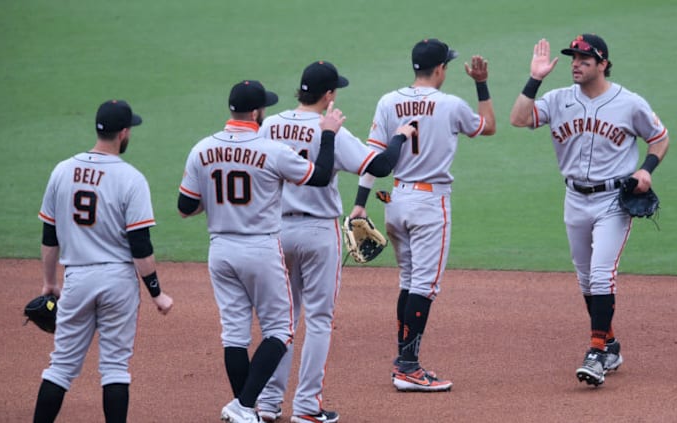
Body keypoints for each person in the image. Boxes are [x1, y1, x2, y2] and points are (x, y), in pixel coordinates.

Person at [255, 61, 415, 423]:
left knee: (280, 320)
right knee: (320, 319)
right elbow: (380, 166)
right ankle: (307, 407)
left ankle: (266, 403)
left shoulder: (269, 125)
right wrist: (400, 135)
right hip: (317, 233)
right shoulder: (331, 130)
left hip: (275, 231)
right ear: (328, 95)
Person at [176, 80, 345, 423]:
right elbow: (321, 175)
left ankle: (246, 409)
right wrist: (327, 133)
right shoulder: (271, 149)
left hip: (220, 251)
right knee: (280, 331)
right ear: (255, 113)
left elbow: (185, 207)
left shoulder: (202, 149)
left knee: (235, 334)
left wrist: (218, 201)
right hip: (260, 248)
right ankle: (242, 405)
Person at [509, 34, 669, 386]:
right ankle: (610, 343)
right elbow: (519, 119)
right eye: (573, 58)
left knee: (600, 275)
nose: (575, 64)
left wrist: (646, 170)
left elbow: (659, 137)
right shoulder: (558, 99)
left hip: (613, 201)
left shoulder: (629, 103)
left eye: (584, 58)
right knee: (585, 278)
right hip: (574, 199)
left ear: (603, 63)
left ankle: (596, 353)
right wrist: (535, 78)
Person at [348, 38, 496, 392]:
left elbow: (373, 157)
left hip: (396, 201)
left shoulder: (388, 101)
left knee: (409, 281)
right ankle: (409, 367)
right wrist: (481, 82)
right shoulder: (450, 105)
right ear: (441, 69)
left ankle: (404, 361)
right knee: (424, 287)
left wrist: (359, 202)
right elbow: (488, 125)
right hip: (430, 205)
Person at [33, 100, 174, 423]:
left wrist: (49, 282)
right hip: (117, 281)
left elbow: (49, 234)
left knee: (61, 366)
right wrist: (156, 293)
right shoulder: (131, 178)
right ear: (123, 133)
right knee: (114, 367)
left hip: (77, 278)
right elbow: (140, 245)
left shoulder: (62, 170)